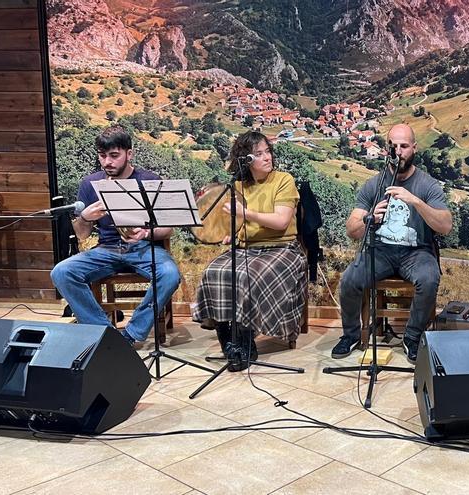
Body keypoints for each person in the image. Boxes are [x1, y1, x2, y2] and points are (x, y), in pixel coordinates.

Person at [331, 123, 453, 364]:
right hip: (381, 251)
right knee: (350, 279)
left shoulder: (427, 185)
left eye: (404, 146)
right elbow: (351, 229)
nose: (398, 151)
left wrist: (416, 202)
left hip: (417, 252)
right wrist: (369, 219)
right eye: (393, 146)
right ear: (387, 149)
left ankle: (412, 337)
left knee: (429, 279)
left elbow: (446, 226)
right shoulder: (373, 185)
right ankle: (351, 335)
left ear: (414, 148)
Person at [50, 125, 181, 344]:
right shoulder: (89, 184)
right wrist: (85, 218)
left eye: (114, 156)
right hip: (106, 249)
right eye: (102, 156)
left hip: (144, 249)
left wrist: (146, 234)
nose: (107, 162)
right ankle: (105, 334)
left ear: (129, 154)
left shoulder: (149, 179)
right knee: (61, 272)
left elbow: (168, 229)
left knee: (170, 274)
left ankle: (131, 334)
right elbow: (82, 235)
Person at [191, 131, 307, 371]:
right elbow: (232, 224)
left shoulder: (284, 180)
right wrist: (229, 235)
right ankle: (230, 343)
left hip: (282, 249)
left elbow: (281, 222)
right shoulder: (236, 186)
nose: (267, 157)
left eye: (268, 151)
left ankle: (245, 343)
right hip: (246, 249)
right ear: (246, 159)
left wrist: (245, 213)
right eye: (259, 154)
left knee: (246, 276)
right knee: (214, 272)